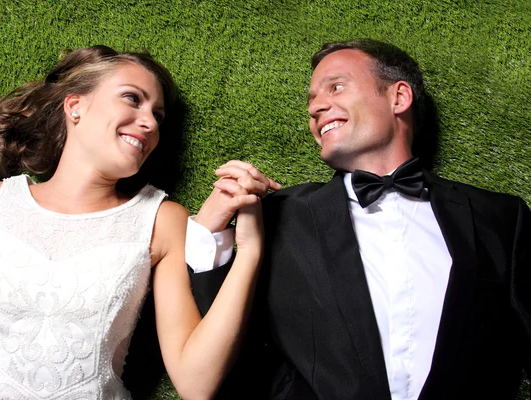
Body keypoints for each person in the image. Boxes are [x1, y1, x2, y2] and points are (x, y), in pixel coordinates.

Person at [187, 39, 531, 400]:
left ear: (399, 97)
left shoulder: (502, 217)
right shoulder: (278, 215)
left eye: (336, 87)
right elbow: (222, 355)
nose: (316, 107)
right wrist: (210, 227)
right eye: (311, 102)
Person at [0, 45, 264, 400]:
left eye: (158, 115)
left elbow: (196, 382)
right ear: (76, 106)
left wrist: (250, 251)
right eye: (132, 99)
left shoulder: (161, 220)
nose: (150, 122)